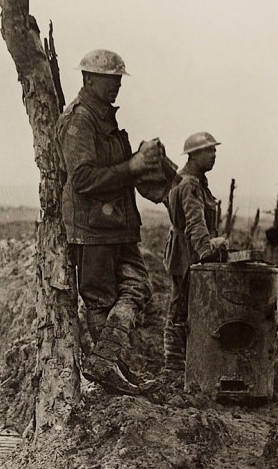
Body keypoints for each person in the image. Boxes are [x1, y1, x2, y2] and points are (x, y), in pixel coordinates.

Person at [56, 48, 168, 396]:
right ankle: (110, 371)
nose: (116, 85)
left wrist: (149, 163)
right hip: (93, 230)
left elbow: (123, 174)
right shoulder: (80, 120)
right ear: (88, 79)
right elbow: (84, 179)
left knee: (139, 287)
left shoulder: (105, 119)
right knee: (101, 300)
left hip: (117, 227)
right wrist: (132, 166)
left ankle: (108, 363)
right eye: (109, 80)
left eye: (119, 80)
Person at [162, 131, 228, 371]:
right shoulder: (189, 183)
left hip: (188, 252)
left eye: (214, 151)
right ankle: (176, 364)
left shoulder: (192, 181)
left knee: (184, 303)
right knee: (182, 306)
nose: (213, 155)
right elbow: (195, 222)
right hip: (187, 253)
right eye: (209, 151)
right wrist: (207, 250)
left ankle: (183, 361)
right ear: (194, 154)